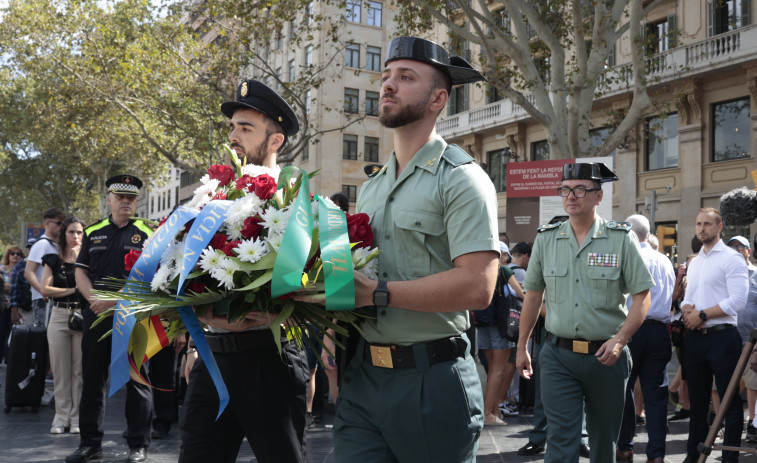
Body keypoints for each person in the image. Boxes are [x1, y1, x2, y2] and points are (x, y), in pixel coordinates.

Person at [305, 36, 499, 461]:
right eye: (386, 76)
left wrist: (378, 294)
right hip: (363, 379)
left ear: (438, 98)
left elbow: (478, 286)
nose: (387, 85)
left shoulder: (462, 179)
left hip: (433, 383)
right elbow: (358, 276)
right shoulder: (372, 188)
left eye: (405, 77)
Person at [179, 79, 308, 463]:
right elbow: (188, 273)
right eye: (232, 127)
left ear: (275, 141)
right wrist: (193, 341)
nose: (233, 136)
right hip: (212, 359)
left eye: (246, 128)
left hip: (268, 361)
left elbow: (311, 285)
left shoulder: (294, 198)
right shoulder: (211, 197)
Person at [515, 162, 653, 463]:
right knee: (561, 442)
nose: (571, 196)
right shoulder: (547, 238)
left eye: (580, 189)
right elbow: (533, 295)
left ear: (598, 196)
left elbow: (643, 298)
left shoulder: (620, 238)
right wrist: (522, 345)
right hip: (557, 356)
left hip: (606, 357)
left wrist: (620, 339)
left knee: (604, 445)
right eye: (565, 189)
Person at [66, 175, 154, 463]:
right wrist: (94, 300)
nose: (126, 202)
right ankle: (90, 443)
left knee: (137, 380)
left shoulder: (149, 233)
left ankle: (138, 445)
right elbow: (80, 272)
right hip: (97, 315)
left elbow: (154, 280)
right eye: (121, 197)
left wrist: (113, 301)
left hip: (134, 316)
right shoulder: (94, 231)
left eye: (131, 198)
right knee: (93, 379)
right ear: (110, 200)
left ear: (137, 202)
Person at [680, 208, 748, 463]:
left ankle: (730, 457)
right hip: (695, 339)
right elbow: (689, 297)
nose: (701, 228)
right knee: (697, 404)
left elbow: (738, 301)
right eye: (698, 224)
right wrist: (688, 310)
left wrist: (703, 315)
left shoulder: (732, 258)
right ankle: (692, 455)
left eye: (707, 223)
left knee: (729, 402)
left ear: (719, 227)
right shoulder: (695, 262)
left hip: (723, 337)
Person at [616, 214, 676, 463]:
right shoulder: (664, 260)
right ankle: (657, 454)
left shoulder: (629, 256)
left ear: (630, 233)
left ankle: (625, 446)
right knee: (656, 394)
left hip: (632, 329)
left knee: (625, 389)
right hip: (660, 330)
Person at [40, 216, 86, 434]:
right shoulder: (52, 259)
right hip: (59, 316)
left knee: (79, 371)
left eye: (79, 232)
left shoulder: (89, 259)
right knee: (60, 370)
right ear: (63, 234)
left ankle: (76, 418)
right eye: (71, 232)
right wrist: (72, 290)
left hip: (82, 316)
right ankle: (61, 417)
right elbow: (45, 290)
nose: (75, 237)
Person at [477, 248, 523, 426]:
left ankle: (495, 410)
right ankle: (487, 413)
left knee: (491, 371)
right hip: (500, 325)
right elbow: (520, 294)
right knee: (499, 370)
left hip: (483, 323)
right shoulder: (504, 270)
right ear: (502, 255)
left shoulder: (482, 269)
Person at [727, 236, 757, 443]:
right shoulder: (725, 274)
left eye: (740, 246)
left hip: (751, 340)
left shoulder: (756, 274)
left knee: (753, 383)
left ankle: (753, 422)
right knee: (725, 383)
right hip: (726, 338)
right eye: (732, 246)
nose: (736, 250)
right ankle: (724, 421)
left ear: (748, 250)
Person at [24, 207, 66, 327]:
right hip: (44, 300)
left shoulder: (55, 245)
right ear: (47, 223)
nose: (62, 226)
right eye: (59, 223)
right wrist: (43, 292)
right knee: (44, 337)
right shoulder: (42, 244)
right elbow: (28, 272)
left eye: (64, 223)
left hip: (55, 298)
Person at [0, 246, 24, 363]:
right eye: (12, 253)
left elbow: (23, 289)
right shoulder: (1, 269)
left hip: (16, 307)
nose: (15, 255)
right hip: (2, 307)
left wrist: (9, 286)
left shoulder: (23, 270)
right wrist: (15, 286)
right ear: (8, 256)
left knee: (13, 334)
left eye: (18, 254)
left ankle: (10, 360)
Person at [9, 240, 34, 326]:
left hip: (42, 309)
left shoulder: (45, 264)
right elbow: (14, 291)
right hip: (25, 310)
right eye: (30, 248)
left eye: (34, 247)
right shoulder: (19, 267)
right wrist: (14, 311)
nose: (32, 250)